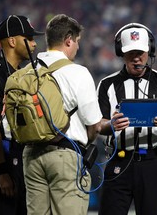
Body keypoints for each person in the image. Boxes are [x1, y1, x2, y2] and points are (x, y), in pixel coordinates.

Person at [97, 23, 157, 215]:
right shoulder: (107, 85)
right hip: (119, 160)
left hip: (153, 162)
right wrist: (111, 125)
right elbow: (98, 124)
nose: (136, 58)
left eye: (141, 52)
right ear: (121, 52)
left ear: (150, 52)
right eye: (131, 53)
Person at [22, 14, 102, 215]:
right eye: (77, 42)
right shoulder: (78, 73)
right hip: (65, 156)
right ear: (68, 39)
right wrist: (88, 138)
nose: (77, 47)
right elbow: (94, 124)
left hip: (31, 156)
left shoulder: (26, 72)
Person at [0, 15, 44, 215]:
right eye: (29, 38)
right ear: (12, 41)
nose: (34, 44)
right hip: (0, 159)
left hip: (18, 158)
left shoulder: (20, 75)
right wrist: (2, 171)